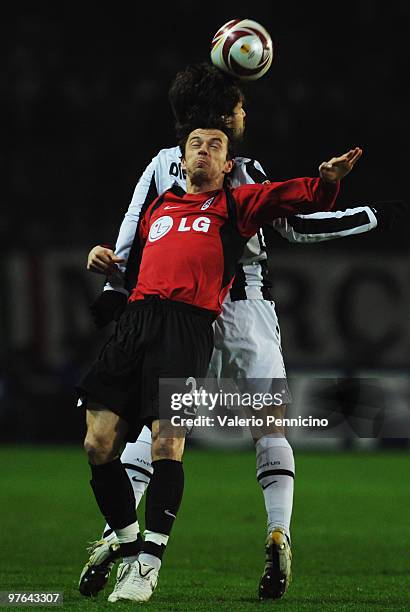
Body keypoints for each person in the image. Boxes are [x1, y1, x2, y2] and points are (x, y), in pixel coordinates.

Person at [78, 63, 404, 601]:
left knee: (154, 426)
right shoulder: (242, 169)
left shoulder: (164, 164)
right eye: (241, 107)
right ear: (224, 114)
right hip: (240, 310)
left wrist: (115, 291)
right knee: (266, 428)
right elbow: (295, 224)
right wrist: (371, 215)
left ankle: (116, 536)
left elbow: (130, 235)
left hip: (172, 309)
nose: (245, 114)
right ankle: (278, 530)